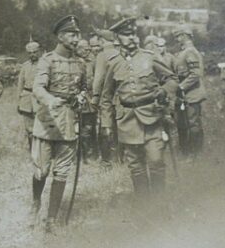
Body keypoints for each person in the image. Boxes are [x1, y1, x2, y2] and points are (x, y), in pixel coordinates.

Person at [101, 17, 178, 198]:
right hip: (127, 121)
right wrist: (106, 124)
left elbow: (172, 79)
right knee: (136, 166)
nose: (133, 38)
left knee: (156, 160)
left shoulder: (149, 57)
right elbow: (106, 96)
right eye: (127, 35)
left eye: (134, 34)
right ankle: (144, 204)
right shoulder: (113, 62)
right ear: (117, 38)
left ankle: (159, 202)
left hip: (152, 117)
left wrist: (164, 92)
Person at [31, 14, 86, 232]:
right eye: (72, 35)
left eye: (77, 35)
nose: (76, 39)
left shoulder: (81, 63)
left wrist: (82, 97)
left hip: (69, 123)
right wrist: (50, 100)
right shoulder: (48, 60)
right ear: (61, 36)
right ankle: (35, 203)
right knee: (41, 171)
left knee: (62, 172)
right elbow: (37, 87)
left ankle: (51, 219)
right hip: (47, 123)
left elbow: (84, 88)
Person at [173, 25, 207, 159]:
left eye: (178, 36)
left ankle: (195, 153)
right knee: (187, 122)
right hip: (187, 93)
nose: (177, 39)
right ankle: (190, 151)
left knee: (193, 123)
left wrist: (181, 87)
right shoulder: (184, 51)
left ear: (184, 36)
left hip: (192, 93)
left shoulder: (190, 52)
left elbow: (195, 74)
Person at [90, 28, 120, 166]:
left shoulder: (102, 56)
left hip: (106, 97)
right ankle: (119, 158)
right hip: (120, 98)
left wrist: (95, 96)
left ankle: (106, 160)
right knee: (118, 127)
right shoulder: (120, 53)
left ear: (102, 41)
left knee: (105, 127)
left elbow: (99, 79)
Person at [17, 36, 41, 151]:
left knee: (42, 126)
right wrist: (19, 102)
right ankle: (32, 151)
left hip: (40, 98)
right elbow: (20, 85)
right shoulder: (25, 66)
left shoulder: (44, 64)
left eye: (35, 52)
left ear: (39, 51)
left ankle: (42, 151)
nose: (33, 54)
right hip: (26, 98)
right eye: (30, 53)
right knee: (29, 128)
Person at [76, 39, 97, 162]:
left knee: (88, 127)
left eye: (88, 49)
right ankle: (76, 155)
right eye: (85, 49)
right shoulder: (73, 61)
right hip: (75, 98)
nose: (87, 51)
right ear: (78, 49)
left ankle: (88, 155)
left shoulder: (92, 61)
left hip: (89, 99)